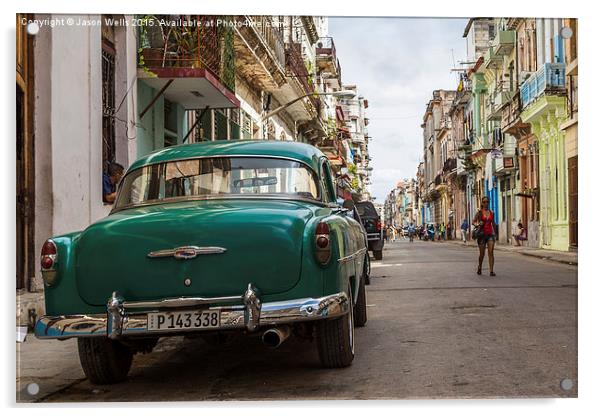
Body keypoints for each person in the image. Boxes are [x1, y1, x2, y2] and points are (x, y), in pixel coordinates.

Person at [473, 196, 496, 276]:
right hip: (481, 235)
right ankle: (480, 267)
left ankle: (491, 271)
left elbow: (493, 223)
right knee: (482, 254)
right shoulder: (479, 213)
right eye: (484, 202)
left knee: (491, 252)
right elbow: (473, 222)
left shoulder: (491, 212)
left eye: (487, 202)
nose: (486, 203)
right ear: (482, 203)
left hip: (490, 234)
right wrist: (478, 224)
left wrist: (495, 234)